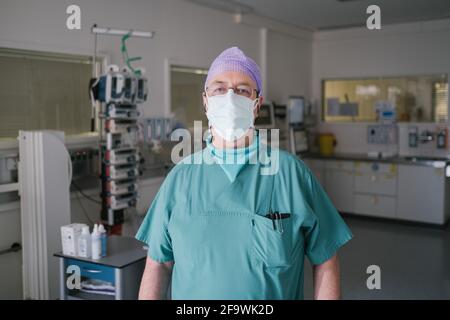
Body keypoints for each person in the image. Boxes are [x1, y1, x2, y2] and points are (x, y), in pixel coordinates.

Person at [136, 47, 352, 300]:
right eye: (219, 88)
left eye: (242, 90)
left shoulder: (290, 174)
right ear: (206, 101)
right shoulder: (180, 179)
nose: (229, 98)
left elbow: (325, 259)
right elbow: (159, 264)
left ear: (257, 104)